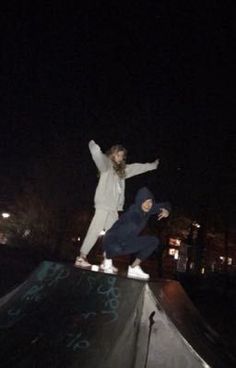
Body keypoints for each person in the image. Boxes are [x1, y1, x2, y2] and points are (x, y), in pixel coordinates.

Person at [75, 140, 160, 268]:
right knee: (95, 229)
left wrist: (152, 165)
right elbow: (98, 157)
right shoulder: (107, 165)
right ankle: (81, 257)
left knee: (113, 235)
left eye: (122, 156)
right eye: (117, 155)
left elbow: (137, 167)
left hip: (114, 208)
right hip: (103, 204)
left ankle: (106, 261)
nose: (120, 158)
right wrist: (94, 147)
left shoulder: (122, 172)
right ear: (112, 154)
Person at [101, 187, 170, 280]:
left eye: (150, 202)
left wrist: (167, 210)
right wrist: (109, 253)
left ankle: (134, 267)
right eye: (145, 202)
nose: (148, 205)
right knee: (119, 242)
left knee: (154, 241)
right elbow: (119, 233)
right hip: (111, 240)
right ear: (139, 202)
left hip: (127, 242)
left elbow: (166, 204)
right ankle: (107, 259)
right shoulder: (132, 214)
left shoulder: (149, 209)